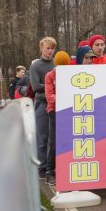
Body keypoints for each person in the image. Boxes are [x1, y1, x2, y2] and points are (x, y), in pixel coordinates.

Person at [29, 37, 57, 178]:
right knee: (43, 137)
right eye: (47, 48)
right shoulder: (36, 66)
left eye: (52, 48)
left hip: (57, 103)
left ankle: (53, 167)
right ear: (41, 48)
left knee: (55, 137)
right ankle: (42, 167)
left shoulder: (56, 64)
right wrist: (51, 84)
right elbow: (35, 86)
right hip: (42, 103)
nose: (50, 51)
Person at [42, 50, 70, 187]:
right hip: (54, 110)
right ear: (56, 64)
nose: (62, 68)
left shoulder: (70, 74)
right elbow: (49, 95)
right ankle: (49, 171)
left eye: (65, 65)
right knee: (54, 141)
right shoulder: (50, 75)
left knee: (68, 141)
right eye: (60, 65)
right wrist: (64, 99)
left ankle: (65, 168)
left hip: (69, 110)